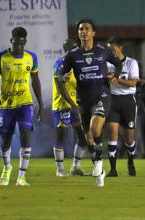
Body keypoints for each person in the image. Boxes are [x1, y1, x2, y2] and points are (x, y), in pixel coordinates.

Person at [56, 19, 122, 187]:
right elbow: (61, 75)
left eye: (86, 29)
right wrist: (63, 77)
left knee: (95, 128)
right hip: (83, 100)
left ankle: (99, 163)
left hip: (101, 95)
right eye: (80, 29)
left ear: (93, 33)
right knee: (88, 137)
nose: (83, 32)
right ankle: (99, 170)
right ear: (78, 33)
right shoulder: (72, 55)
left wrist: (114, 75)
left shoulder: (103, 50)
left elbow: (118, 63)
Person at [0, 27, 43, 186]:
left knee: (26, 136)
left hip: (25, 104)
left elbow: (35, 80)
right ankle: (7, 168)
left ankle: (21, 177)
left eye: (21, 43)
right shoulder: (1, 57)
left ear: (25, 42)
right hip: (7, 105)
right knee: (5, 141)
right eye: (16, 43)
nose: (18, 47)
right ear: (11, 41)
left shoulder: (31, 57)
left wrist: (40, 104)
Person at [52, 39, 89, 177]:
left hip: (75, 105)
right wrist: (73, 105)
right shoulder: (60, 64)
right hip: (62, 105)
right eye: (72, 48)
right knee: (61, 136)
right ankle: (60, 170)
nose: (75, 51)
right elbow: (60, 87)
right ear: (66, 49)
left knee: (82, 137)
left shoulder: (78, 65)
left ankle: (75, 167)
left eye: (76, 48)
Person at [105, 37, 139, 177]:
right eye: (109, 50)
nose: (111, 52)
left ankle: (130, 161)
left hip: (128, 101)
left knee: (129, 137)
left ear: (119, 48)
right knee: (113, 131)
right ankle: (113, 169)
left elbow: (133, 83)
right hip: (113, 100)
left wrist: (117, 79)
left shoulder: (131, 63)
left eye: (112, 49)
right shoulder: (107, 64)